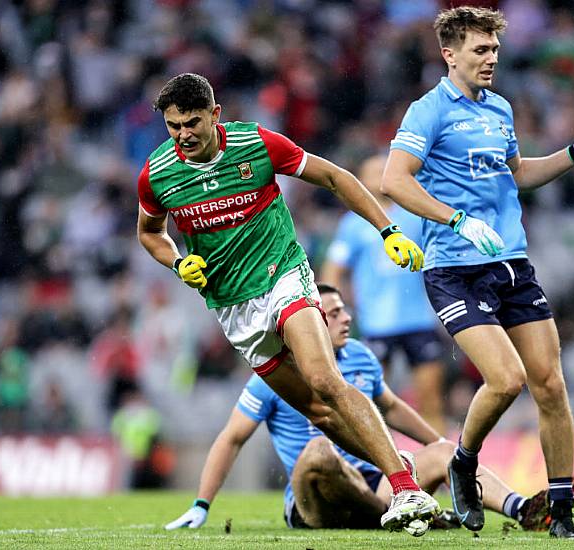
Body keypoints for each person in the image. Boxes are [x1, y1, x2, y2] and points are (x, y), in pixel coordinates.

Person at [137, 73, 437, 532]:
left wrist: (388, 230)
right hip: (233, 308)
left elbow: (335, 178)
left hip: (284, 277)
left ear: (215, 115)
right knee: (317, 411)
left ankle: (403, 488)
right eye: (174, 126)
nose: (183, 134)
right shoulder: (158, 173)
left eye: (192, 122)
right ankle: (401, 470)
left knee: (324, 379)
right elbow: (149, 233)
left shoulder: (256, 144)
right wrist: (177, 264)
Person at [379, 6, 574, 539]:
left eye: (495, 50)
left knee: (551, 384)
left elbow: (517, 174)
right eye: (481, 50)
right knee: (505, 380)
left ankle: (559, 513)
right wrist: (456, 220)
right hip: (455, 269)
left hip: (511, 263)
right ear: (450, 54)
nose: (491, 59)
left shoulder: (500, 109)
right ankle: (464, 461)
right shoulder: (428, 111)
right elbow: (395, 180)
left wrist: (572, 154)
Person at [165, 284, 549, 534]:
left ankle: (521, 509)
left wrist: (437, 449)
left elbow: (394, 408)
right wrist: (202, 505)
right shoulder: (278, 373)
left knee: (447, 452)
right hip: (316, 495)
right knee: (319, 452)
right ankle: (408, 509)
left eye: (345, 309)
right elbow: (231, 438)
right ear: (310, 321)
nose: (346, 317)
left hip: (376, 482)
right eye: (333, 313)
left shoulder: (361, 357)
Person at [322, 154, 447, 433]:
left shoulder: (415, 214)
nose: (381, 175)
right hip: (377, 323)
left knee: (432, 401)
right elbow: (333, 270)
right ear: (361, 181)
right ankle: (378, 469)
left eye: (385, 170)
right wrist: (331, 312)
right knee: (371, 402)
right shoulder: (353, 224)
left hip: (420, 320)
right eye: (374, 171)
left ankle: (441, 465)